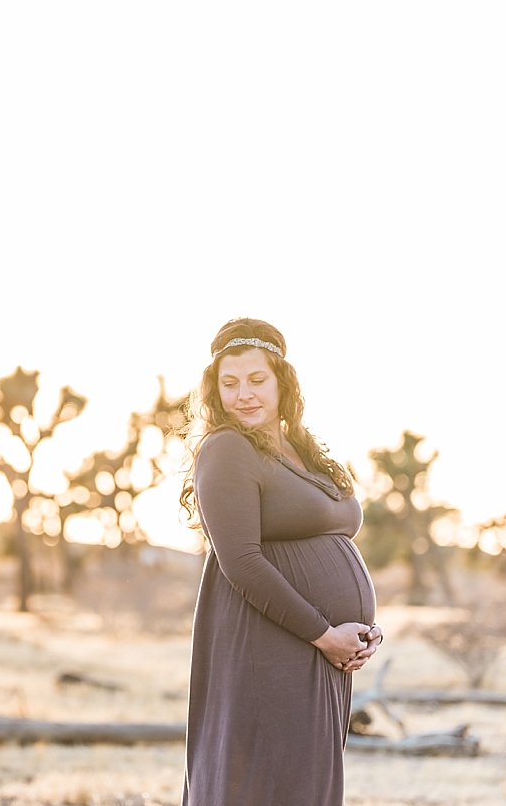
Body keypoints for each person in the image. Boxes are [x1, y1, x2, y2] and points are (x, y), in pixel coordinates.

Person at [179, 317, 383, 806]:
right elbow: (242, 562)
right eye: (229, 384)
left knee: (303, 786)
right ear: (214, 390)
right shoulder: (227, 448)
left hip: (317, 649)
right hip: (269, 646)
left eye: (256, 380)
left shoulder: (303, 452)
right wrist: (324, 633)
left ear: (282, 382)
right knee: (265, 785)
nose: (243, 394)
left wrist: (359, 630)